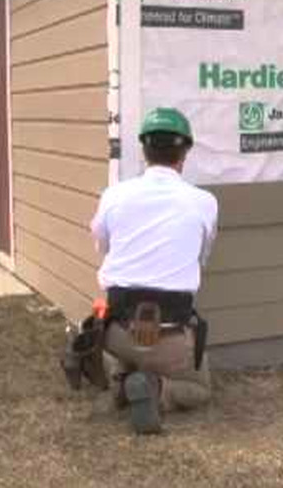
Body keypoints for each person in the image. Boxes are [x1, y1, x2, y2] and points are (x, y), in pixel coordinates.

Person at [90, 107, 218, 434]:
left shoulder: (113, 195)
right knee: (200, 389)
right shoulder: (204, 202)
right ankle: (158, 390)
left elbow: (103, 248)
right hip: (171, 339)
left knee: (122, 341)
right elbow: (201, 257)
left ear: (144, 150)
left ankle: (121, 381)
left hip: (118, 333)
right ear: (184, 152)